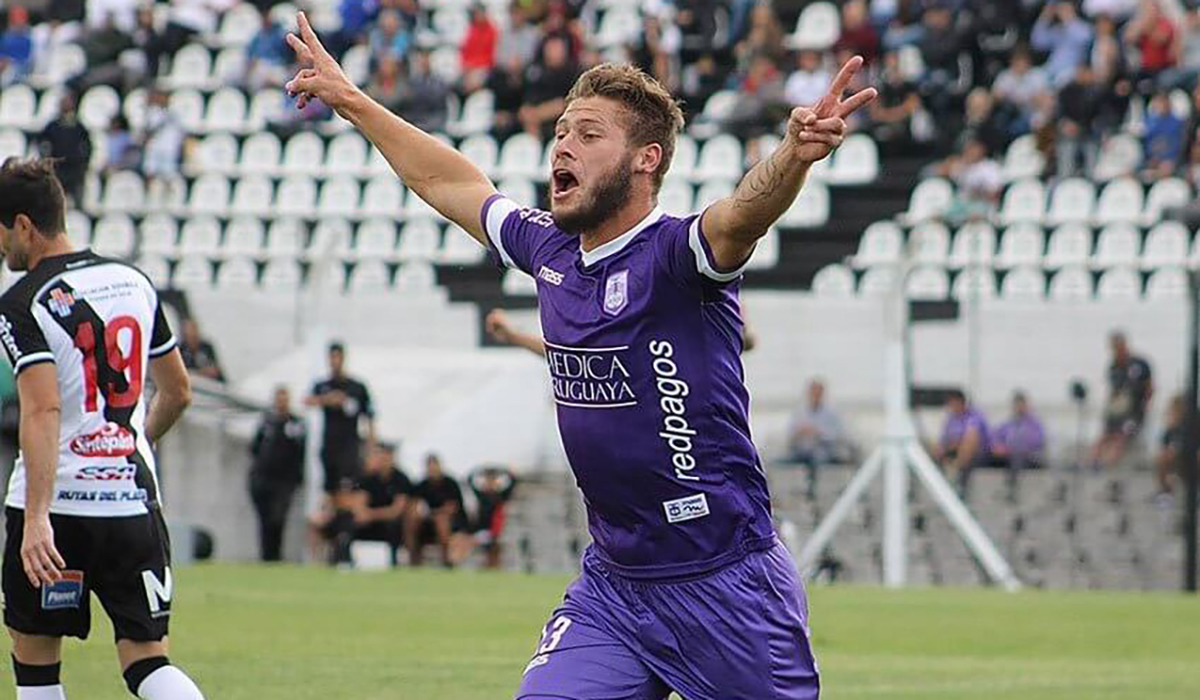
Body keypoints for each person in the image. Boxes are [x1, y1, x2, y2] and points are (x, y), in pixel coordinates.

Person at [285, 11, 872, 696]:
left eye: (588, 134)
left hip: (724, 583)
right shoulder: (551, 249)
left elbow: (741, 213)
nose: (562, 146)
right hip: (615, 588)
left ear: (644, 159)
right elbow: (448, 183)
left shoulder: (676, 255)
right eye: (561, 131)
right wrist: (351, 99)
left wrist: (794, 155)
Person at [0, 158, 204, 699]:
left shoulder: (21, 303)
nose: (2, 250)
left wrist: (38, 518)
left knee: (37, 660)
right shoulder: (133, 281)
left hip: (56, 510)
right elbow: (178, 390)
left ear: (23, 226)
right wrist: (133, 443)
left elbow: (43, 411)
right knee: (146, 662)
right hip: (132, 504)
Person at [305, 342, 375, 495]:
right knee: (331, 491)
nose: (335, 361)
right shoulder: (323, 385)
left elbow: (370, 418)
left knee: (349, 488)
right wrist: (328, 400)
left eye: (338, 357)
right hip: (329, 445)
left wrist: (371, 450)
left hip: (349, 446)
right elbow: (307, 401)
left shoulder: (357, 387)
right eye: (332, 357)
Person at [248, 386, 306, 562]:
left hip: (285, 480)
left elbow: (300, 451)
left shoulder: (296, 423)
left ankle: (276, 555)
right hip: (263, 478)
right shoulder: (266, 422)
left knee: (278, 517)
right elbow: (254, 448)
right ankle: (266, 556)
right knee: (264, 518)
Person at [1093, 331, 1154, 470]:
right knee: (1104, 435)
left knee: (1121, 436)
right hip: (1118, 412)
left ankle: (1108, 466)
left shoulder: (1140, 364)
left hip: (1135, 412)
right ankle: (1094, 463)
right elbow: (1113, 392)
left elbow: (1149, 387)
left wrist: (1145, 407)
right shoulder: (1113, 367)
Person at [350, 442, 410, 565]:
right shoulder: (368, 479)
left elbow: (396, 510)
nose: (384, 460)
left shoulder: (401, 479)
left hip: (387, 521)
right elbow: (359, 501)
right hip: (369, 522)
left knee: (394, 526)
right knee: (347, 523)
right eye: (381, 456)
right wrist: (361, 513)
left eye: (387, 456)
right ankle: (345, 560)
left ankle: (393, 562)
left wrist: (371, 515)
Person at [404, 454, 468, 568]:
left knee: (441, 520)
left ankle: (447, 560)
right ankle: (414, 559)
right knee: (411, 520)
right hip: (428, 522)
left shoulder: (450, 483)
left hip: (453, 523)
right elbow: (413, 505)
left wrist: (432, 513)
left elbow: (451, 509)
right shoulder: (422, 485)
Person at [36, 95, 92, 207]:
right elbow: (42, 142)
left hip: (75, 170)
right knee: (55, 202)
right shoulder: (52, 126)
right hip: (58, 169)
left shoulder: (79, 127)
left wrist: (83, 163)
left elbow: (87, 146)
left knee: (77, 202)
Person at [933, 389, 991, 496]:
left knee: (969, 441)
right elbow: (943, 439)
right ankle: (941, 481)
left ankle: (958, 475)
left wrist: (956, 444)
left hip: (978, 452)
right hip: (955, 450)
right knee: (937, 449)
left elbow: (972, 436)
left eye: (952, 403)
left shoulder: (975, 415)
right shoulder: (950, 418)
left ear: (960, 402)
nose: (950, 407)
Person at [468, 465, 516, 570]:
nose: (490, 483)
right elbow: (470, 479)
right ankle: (488, 566)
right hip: (482, 531)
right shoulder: (481, 495)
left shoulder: (501, 496)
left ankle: (493, 566)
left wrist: (503, 470)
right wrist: (480, 470)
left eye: (493, 480)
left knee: (495, 544)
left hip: (496, 531)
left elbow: (513, 481)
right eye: (488, 480)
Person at [177, 318, 223, 383]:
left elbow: (215, 368)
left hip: (212, 383)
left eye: (194, 329)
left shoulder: (206, 347)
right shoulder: (180, 350)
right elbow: (182, 373)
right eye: (190, 331)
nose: (193, 334)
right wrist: (201, 373)